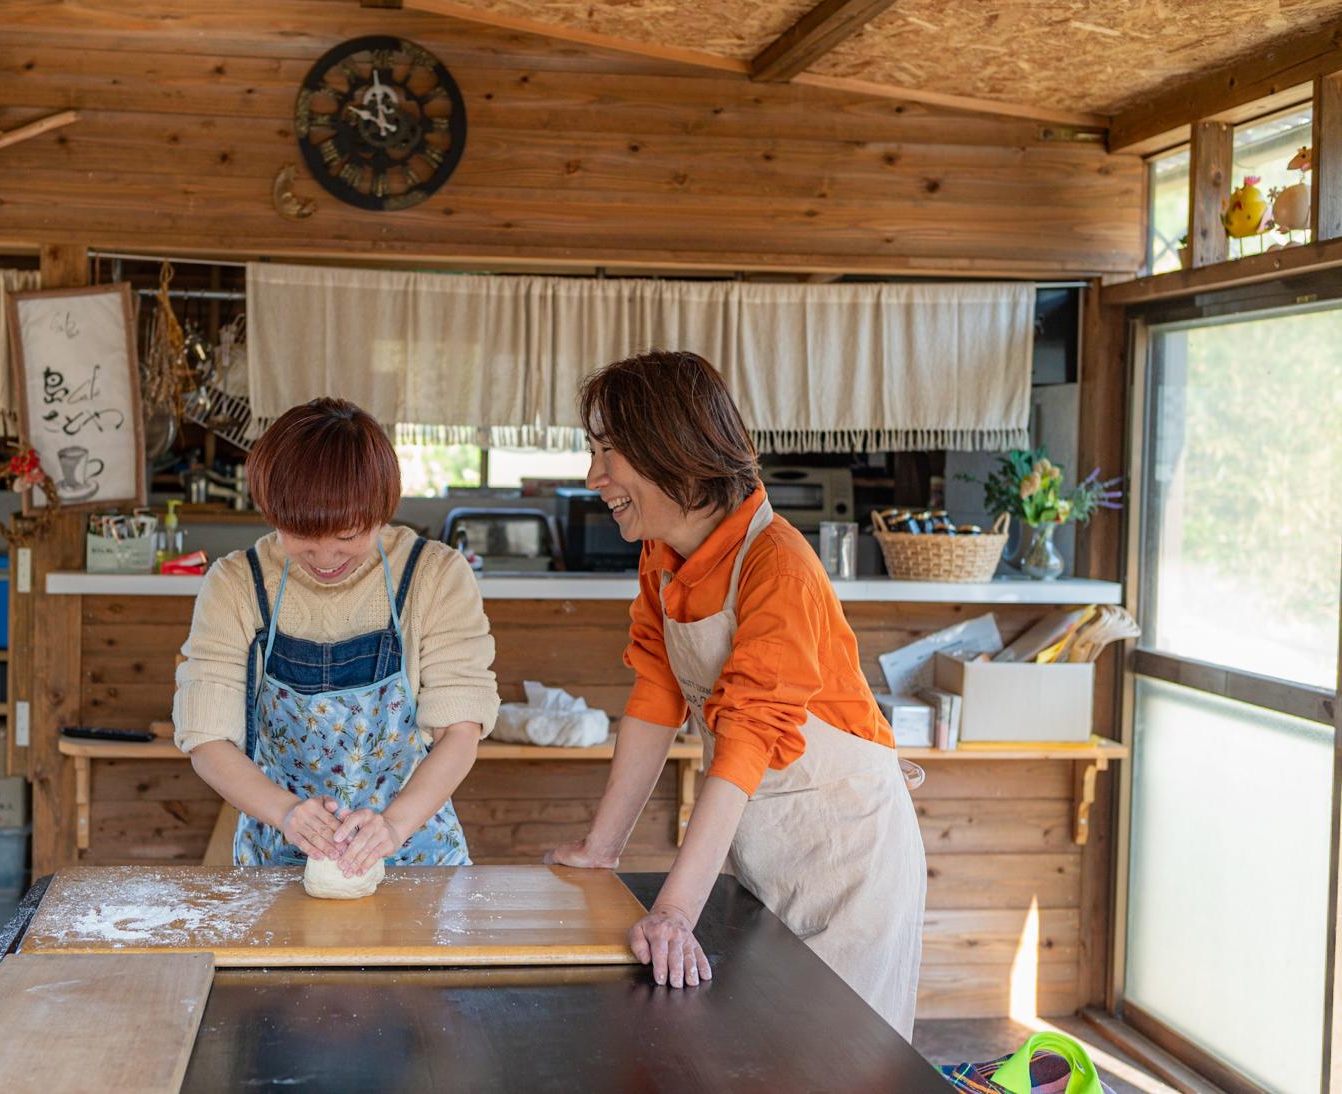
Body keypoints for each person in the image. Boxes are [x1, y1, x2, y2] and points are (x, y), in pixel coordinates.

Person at [546, 351, 926, 1036]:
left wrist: (673, 911)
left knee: (839, 1062)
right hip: (762, 845)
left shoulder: (778, 566)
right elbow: (656, 693)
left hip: (848, 861)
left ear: (674, 454)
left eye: (609, 453)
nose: (593, 477)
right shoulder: (662, 555)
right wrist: (604, 847)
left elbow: (746, 740)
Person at [174, 398, 500, 876]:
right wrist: (286, 813)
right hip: (277, 857)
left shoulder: (434, 575)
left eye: (348, 535)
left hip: (415, 851)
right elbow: (207, 740)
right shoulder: (237, 583)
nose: (325, 556)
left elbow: (460, 730)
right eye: (300, 535)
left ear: (381, 510)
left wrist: (392, 826)